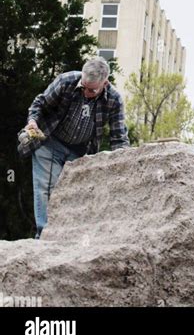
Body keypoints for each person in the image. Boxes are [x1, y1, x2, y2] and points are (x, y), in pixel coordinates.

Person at [18, 57, 130, 237]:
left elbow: (119, 138)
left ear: (105, 83)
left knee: (71, 196)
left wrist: (124, 167)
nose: (86, 93)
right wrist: (32, 122)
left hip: (79, 153)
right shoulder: (66, 81)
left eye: (92, 90)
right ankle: (45, 236)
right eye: (84, 87)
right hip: (49, 144)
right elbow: (39, 104)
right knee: (46, 189)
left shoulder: (114, 100)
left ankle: (66, 237)